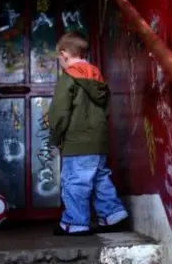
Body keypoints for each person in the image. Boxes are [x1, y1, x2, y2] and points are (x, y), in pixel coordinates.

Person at [47, 31, 128, 236]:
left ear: (65, 54)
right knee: (100, 177)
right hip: (98, 142)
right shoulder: (97, 76)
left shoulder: (68, 78)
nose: (61, 63)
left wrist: (56, 138)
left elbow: (59, 113)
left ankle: (75, 223)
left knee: (75, 181)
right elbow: (107, 110)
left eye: (60, 59)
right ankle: (113, 215)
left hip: (77, 142)